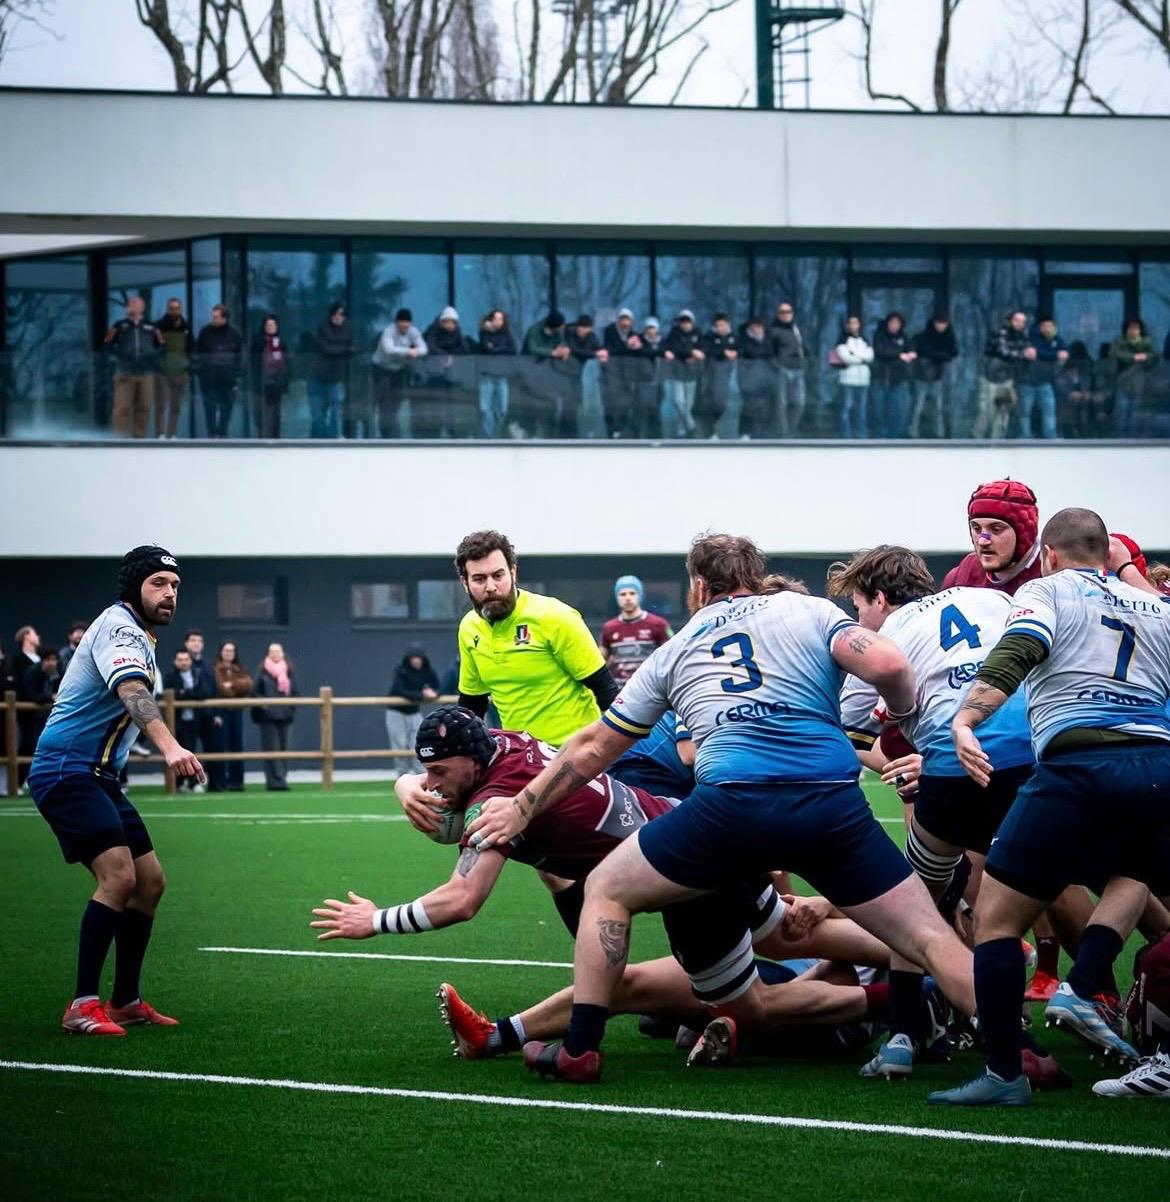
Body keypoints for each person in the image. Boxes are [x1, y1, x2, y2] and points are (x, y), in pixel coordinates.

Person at [467, 534, 979, 1084]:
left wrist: (522, 807)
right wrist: (904, 719)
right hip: (829, 803)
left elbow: (593, 746)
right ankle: (1017, 1049)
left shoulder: (680, 643)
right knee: (928, 936)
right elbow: (889, 661)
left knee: (608, 890)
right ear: (756, 576)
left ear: (698, 586)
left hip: (730, 809)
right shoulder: (808, 610)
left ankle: (579, 1052)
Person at [316, 706, 895, 1058]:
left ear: (471, 764)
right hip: (693, 830)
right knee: (777, 936)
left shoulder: (495, 800)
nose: (432, 785)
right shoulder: (507, 743)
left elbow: (463, 900)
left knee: (749, 1006)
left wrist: (376, 921)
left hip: (681, 867)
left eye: (438, 773)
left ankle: (897, 998)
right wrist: (404, 786)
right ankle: (909, 964)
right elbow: (458, 809)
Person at [932, 508, 1170, 1106]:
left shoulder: (1046, 588)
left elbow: (1018, 650)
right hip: (1157, 770)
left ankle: (1005, 1074)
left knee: (997, 919)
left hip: (1078, 765)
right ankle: (1086, 983)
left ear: (1051, 554)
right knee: (1134, 874)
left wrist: (966, 717)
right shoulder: (1158, 609)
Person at [827, 547, 1047, 1082]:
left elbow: (852, 731)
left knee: (918, 904)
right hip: (1035, 759)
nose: (860, 621)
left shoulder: (879, 641)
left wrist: (904, 760)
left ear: (879, 599)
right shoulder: (992, 599)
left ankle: (907, 1033)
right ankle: (1095, 990)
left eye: (860, 607)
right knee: (1107, 877)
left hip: (955, 773)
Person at [27, 545, 204, 1036]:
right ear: (134, 586)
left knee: (150, 883)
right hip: (65, 770)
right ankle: (82, 1004)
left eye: (175, 587)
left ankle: (125, 1000)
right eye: (159, 584)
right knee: (120, 877)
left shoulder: (142, 634)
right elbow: (132, 690)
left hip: (99, 777)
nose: (170, 594)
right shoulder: (120, 627)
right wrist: (170, 747)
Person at [451, 530, 618, 748]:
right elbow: (472, 705)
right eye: (480, 579)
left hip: (576, 755)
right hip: (519, 757)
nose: (491, 587)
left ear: (513, 572)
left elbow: (607, 692)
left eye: (498, 575)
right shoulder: (468, 628)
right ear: (465, 583)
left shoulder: (555, 616)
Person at [941, 478, 1041, 596]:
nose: (983, 541)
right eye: (977, 529)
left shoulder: (1053, 575)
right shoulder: (962, 576)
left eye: (996, 529)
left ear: (1025, 533)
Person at [103, 297, 164, 439]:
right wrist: (122, 356)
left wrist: (150, 356)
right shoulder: (119, 325)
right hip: (125, 372)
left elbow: (163, 346)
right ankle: (119, 439)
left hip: (146, 373)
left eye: (134, 304)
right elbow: (106, 344)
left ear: (142, 307)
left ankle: (139, 438)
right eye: (129, 304)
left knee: (144, 407)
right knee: (122, 407)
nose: (131, 306)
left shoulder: (151, 326)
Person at [599, 574, 673, 686]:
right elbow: (600, 662)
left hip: (649, 689)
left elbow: (672, 656)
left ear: (640, 595)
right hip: (620, 692)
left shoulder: (659, 624)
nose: (627, 598)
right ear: (617, 597)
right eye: (622, 594)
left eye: (632, 593)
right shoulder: (609, 628)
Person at [371, 307, 427, 439]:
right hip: (381, 369)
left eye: (406, 325)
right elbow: (388, 349)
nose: (404, 328)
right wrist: (408, 351)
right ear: (396, 323)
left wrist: (416, 351)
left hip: (398, 371)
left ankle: (394, 433)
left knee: (396, 403)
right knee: (384, 404)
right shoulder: (389, 331)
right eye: (401, 325)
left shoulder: (413, 332)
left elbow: (424, 349)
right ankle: (385, 435)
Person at [386, 644, 440, 777]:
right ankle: (402, 775)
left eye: (419, 658)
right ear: (409, 659)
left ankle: (420, 775)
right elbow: (399, 690)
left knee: (418, 742)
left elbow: (438, 686)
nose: (416, 661)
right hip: (396, 712)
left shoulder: (427, 670)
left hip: (414, 712)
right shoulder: (401, 670)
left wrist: (433, 692)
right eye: (413, 658)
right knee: (400, 745)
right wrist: (421, 695)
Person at [421, 306, 473, 438]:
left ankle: (453, 432)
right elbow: (429, 346)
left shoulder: (457, 333)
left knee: (451, 405)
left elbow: (465, 348)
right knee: (435, 405)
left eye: (453, 322)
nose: (450, 325)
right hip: (433, 376)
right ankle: (434, 434)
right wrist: (443, 356)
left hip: (451, 377)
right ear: (442, 321)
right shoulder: (432, 331)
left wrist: (450, 356)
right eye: (447, 321)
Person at [194, 303, 244, 438]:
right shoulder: (205, 331)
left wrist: (237, 376)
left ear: (224, 318)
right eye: (213, 316)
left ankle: (223, 433)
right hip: (209, 379)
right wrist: (200, 371)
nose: (213, 319)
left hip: (228, 379)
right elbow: (197, 353)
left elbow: (239, 356)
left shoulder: (234, 334)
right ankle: (211, 433)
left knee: (226, 409)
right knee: (209, 408)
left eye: (216, 317)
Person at [253, 642, 297, 792]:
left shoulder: (289, 670)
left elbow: (295, 692)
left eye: (278, 651)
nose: (275, 654)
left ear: (283, 653)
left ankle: (282, 779)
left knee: (284, 749)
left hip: (285, 716)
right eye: (272, 651)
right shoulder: (262, 670)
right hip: (268, 717)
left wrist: (290, 709)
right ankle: (273, 781)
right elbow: (255, 691)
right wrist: (265, 706)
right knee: (271, 748)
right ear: (268, 654)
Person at [183, 630, 223, 793]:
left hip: (208, 714)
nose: (196, 643)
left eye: (199, 640)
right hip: (189, 716)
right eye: (193, 640)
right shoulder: (183, 661)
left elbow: (213, 690)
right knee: (189, 749)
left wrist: (217, 713)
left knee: (213, 748)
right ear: (186, 643)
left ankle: (215, 784)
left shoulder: (208, 664)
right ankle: (191, 783)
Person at [1018, 315, 1067, 440]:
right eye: (1044, 326)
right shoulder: (1032, 338)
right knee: (1025, 412)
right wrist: (1054, 355)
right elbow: (1035, 353)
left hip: (1045, 382)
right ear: (1039, 328)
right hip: (1027, 381)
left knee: (1049, 412)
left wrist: (1047, 354)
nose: (1047, 329)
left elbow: (1063, 354)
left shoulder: (1058, 340)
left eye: (1050, 326)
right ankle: (1025, 437)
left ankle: (1050, 437)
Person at [909, 314, 958, 439]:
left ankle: (940, 433)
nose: (941, 326)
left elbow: (953, 353)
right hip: (921, 375)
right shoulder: (923, 337)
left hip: (939, 376)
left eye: (944, 323)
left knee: (939, 406)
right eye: (939, 323)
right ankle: (913, 432)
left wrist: (935, 355)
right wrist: (939, 355)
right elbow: (923, 350)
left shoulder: (949, 337)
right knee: (918, 405)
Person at [164, 649, 204, 794]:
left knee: (194, 750)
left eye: (186, 659)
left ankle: (194, 782)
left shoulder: (198, 674)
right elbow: (169, 693)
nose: (183, 662)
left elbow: (203, 692)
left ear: (190, 661)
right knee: (180, 752)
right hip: (177, 721)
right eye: (180, 659)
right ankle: (181, 782)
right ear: (175, 662)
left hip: (196, 719)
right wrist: (189, 693)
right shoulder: (170, 676)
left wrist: (184, 693)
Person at [311, 302, 354, 439]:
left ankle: (334, 436)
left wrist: (336, 348)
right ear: (331, 314)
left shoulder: (348, 327)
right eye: (337, 314)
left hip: (336, 377)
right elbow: (325, 348)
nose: (339, 317)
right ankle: (318, 439)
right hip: (317, 376)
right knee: (318, 414)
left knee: (336, 408)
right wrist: (343, 348)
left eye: (342, 314)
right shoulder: (323, 327)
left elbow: (352, 348)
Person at [870, 312, 916, 438]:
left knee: (899, 409)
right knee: (880, 409)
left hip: (899, 378)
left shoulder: (904, 336)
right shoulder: (879, 335)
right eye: (892, 323)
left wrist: (910, 354)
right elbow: (881, 351)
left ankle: (897, 436)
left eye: (897, 323)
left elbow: (911, 350)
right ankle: (880, 437)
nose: (895, 326)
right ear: (887, 323)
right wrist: (899, 355)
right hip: (881, 377)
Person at [1109, 318, 1158, 437]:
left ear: (1141, 330)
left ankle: (1132, 439)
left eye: (1136, 328)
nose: (1133, 331)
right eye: (1131, 328)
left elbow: (1155, 357)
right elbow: (1114, 354)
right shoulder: (1119, 342)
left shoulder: (1147, 343)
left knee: (1134, 413)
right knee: (1121, 412)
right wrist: (1133, 357)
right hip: (1122, 382)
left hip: (1139, 384)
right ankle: (1119, 440)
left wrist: (1145, 356)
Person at [214, 641, 252, 792]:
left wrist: (232, 685)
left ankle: (237, 782)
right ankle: (221, 782)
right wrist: (236, 688)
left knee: (237, 745)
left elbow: (249, 684)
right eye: (226, 650)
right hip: (221, 713)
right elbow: (222, 690)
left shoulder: (239, 668)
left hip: (237, 712)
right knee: (221, 746)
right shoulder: (216, 668)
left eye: (232, 650)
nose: (229, 653)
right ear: (221, 652)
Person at [659, 310, 704, 438]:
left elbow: (703, 348)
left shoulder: (698, 333)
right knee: (679, 402)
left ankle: (682, 433)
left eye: (688, 321)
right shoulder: (674, 334)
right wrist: (691, 353)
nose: (685, 324)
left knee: (688, 406)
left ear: (692, 322)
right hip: (677, 373)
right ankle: (691, 426)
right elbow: (673, 348)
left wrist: (698, 354)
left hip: (692, 374)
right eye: (683, 322)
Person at [154, 296, 192, 439]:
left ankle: (172, 433)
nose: (175, 311)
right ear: (167, 309)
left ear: (181, 309)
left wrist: (188, 365)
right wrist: (158, 365)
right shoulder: (159, 326)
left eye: (177, 308)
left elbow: (190, 348)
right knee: (161, 404)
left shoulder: (186, 326)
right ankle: (160, 433)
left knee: (176, 406)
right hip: (162, 371)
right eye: (172, 308)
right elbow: (154, 348)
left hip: (181, 371)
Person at [601, 308, 642, 438]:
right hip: (611, 375)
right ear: (618, 321)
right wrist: (627, 346)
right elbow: (611, 349)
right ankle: (612, 430)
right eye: (622, 319)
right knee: (612, 402)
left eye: (627, 320)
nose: (625, 323)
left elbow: (640, 352)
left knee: (627, 402)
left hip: (628, 375)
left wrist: (638, 347)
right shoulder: (610, 331)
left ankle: (623, 430)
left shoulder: (634, 335)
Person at [10, 624, 43, 789]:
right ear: (26, 637)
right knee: (28, 743)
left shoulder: (41, 659)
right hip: (27, 708)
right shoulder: (18, 659)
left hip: (44, 709)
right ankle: (17, 781)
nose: (38, 636)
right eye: (34, 633)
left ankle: (36, 778)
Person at [475, 308, 516, 438]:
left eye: (501, 319)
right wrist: (501, 349)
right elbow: (487, 349)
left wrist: (496, 348)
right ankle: (489, 438)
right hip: (487, 376)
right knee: (485, 409)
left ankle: (497, 435)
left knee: (502, 410)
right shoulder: (484, 333)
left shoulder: (507, 334)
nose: (499, 321)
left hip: (501, 376)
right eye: (496, 318)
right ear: (491, 319)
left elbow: (513, 349)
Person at [251, 314, 292, 439]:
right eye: (268, 325)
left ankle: (275, 438)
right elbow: (253, 363)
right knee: (260, 414)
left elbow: (287, 363)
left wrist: (284, 382)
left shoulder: (281, 343)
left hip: (276, 383)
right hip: (260, 383)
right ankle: (262, 438)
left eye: (273, 325)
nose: (270, 327)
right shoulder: (257, 342)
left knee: (275, 414)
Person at [697, 313, 737, 439]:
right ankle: (710, 432)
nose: (720, 327)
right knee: (715, 403)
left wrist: (736, 353)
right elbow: (706, 349)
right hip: (714, 376)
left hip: (734, 376)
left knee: (728, 405)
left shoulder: (735, 337)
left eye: (722, 325)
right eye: (717, 325)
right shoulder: (709, 338)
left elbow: (743, 348)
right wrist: (723, 352)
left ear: (728, 325)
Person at [737, 317, 776, 439]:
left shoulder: (769, 340)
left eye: (759, 326)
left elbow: (772, 355)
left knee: (764, 409)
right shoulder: (743, 340)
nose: (756, 329)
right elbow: (749, 354)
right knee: (748, 408)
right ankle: (745, 434)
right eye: (753, 327)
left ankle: (763, 435)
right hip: (749, 382)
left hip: (765, 382)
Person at [769, 301, 805, 436]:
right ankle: (783, 434)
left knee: (799, 403)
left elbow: (803, 347)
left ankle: (790, 431)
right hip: (782, 370)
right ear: (778, 314)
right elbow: (769, 351)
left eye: (788, 312)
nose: (785, 315)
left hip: (798, 369)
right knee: (781, 405)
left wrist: (805, 361)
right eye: (782, 312)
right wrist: (777, 366)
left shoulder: (796, 329)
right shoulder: (773, 331)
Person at [834, 315, 872, 440]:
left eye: (856, 323)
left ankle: (861, 436)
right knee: (846, 409)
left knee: (861, 410)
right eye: (851, 323)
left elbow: (870, 356)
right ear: (847, 325)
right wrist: (861, 358)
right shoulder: (842, 341)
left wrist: (854, 354)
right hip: (847, 380)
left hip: (863, 380)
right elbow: (845, 357)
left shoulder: (864, 340)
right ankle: (846, 437)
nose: (854, 326)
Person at [628, 316, 662, 439]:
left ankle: (655, 437)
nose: (650, 331)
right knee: (640, 410)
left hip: (657, 382)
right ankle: (637, 437)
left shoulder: (662, 342)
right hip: (642, 382)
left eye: (652, 328)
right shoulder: (639, 341)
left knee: (655, 412)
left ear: (657, 329)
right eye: (648, 328)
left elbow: (660, 352)